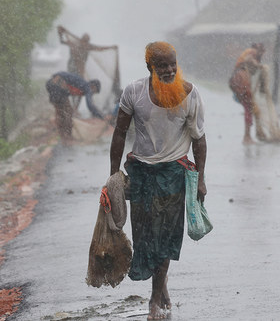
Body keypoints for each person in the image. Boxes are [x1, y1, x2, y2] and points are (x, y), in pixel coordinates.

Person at [109, 41, 207, 320]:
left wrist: (200, 179)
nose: (168, 69)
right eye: (161, 65)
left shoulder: (189, 94)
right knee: (144, 237)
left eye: (171, 63)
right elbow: (119, 133)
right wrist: (114, 174)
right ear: (150, 67)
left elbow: (199, 141)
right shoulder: (134, 93)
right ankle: (161, 284)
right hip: (141, 173)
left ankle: (154, 299)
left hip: (173, 174)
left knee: (165, 236)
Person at [45, 71, 107, 142]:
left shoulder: (81, 85)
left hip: (50, 83)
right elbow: (90, 105)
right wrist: (101, 116)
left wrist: (76, 108)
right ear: (93, 86)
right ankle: (68, 136)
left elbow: (76, 98)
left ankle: (62, 135)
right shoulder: (87, 88)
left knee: (60, 111)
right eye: (94, 92)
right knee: (67, 113)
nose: (92, 94)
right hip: (58, 85)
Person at [229, 43, 267, 144]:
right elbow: (249, 59)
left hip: (236, 80)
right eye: (262, 53)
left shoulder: (246, 53)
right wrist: (258, 65)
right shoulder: (252, 52)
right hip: (241, 80)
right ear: (259, 50)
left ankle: (248, 136)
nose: (261, 55)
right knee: (249, 107)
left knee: (249, 107)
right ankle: (247, 137)